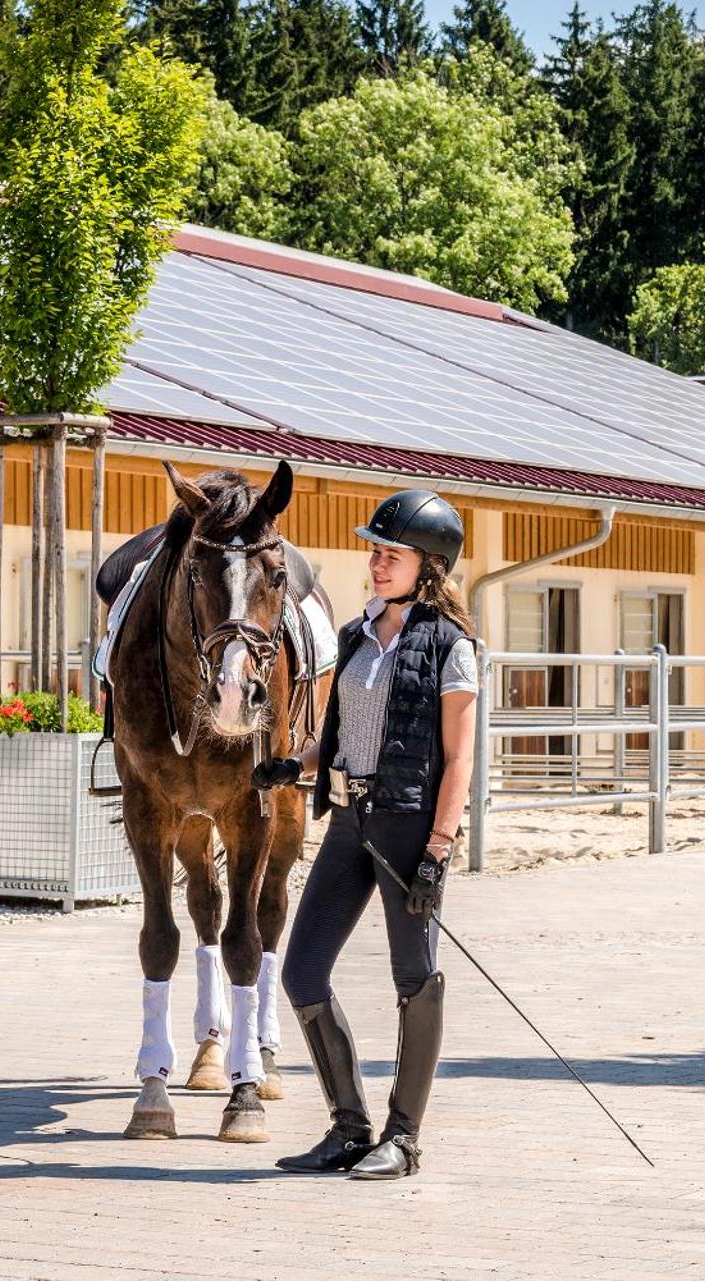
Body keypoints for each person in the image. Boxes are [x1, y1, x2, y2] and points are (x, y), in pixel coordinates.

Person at [250, 489, 479, 1180]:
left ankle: (403, 1138)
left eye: (391, 554)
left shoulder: (451, 645)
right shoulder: (355, 635)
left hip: (410, 827)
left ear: (429, 565)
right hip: (349, 820)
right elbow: (341, 734)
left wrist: (439, 849)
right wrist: (296, 764)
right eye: (374, 552)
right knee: (301, 968)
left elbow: (460, 756)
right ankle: (350, 1127)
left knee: (415, 977)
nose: (376, 564)